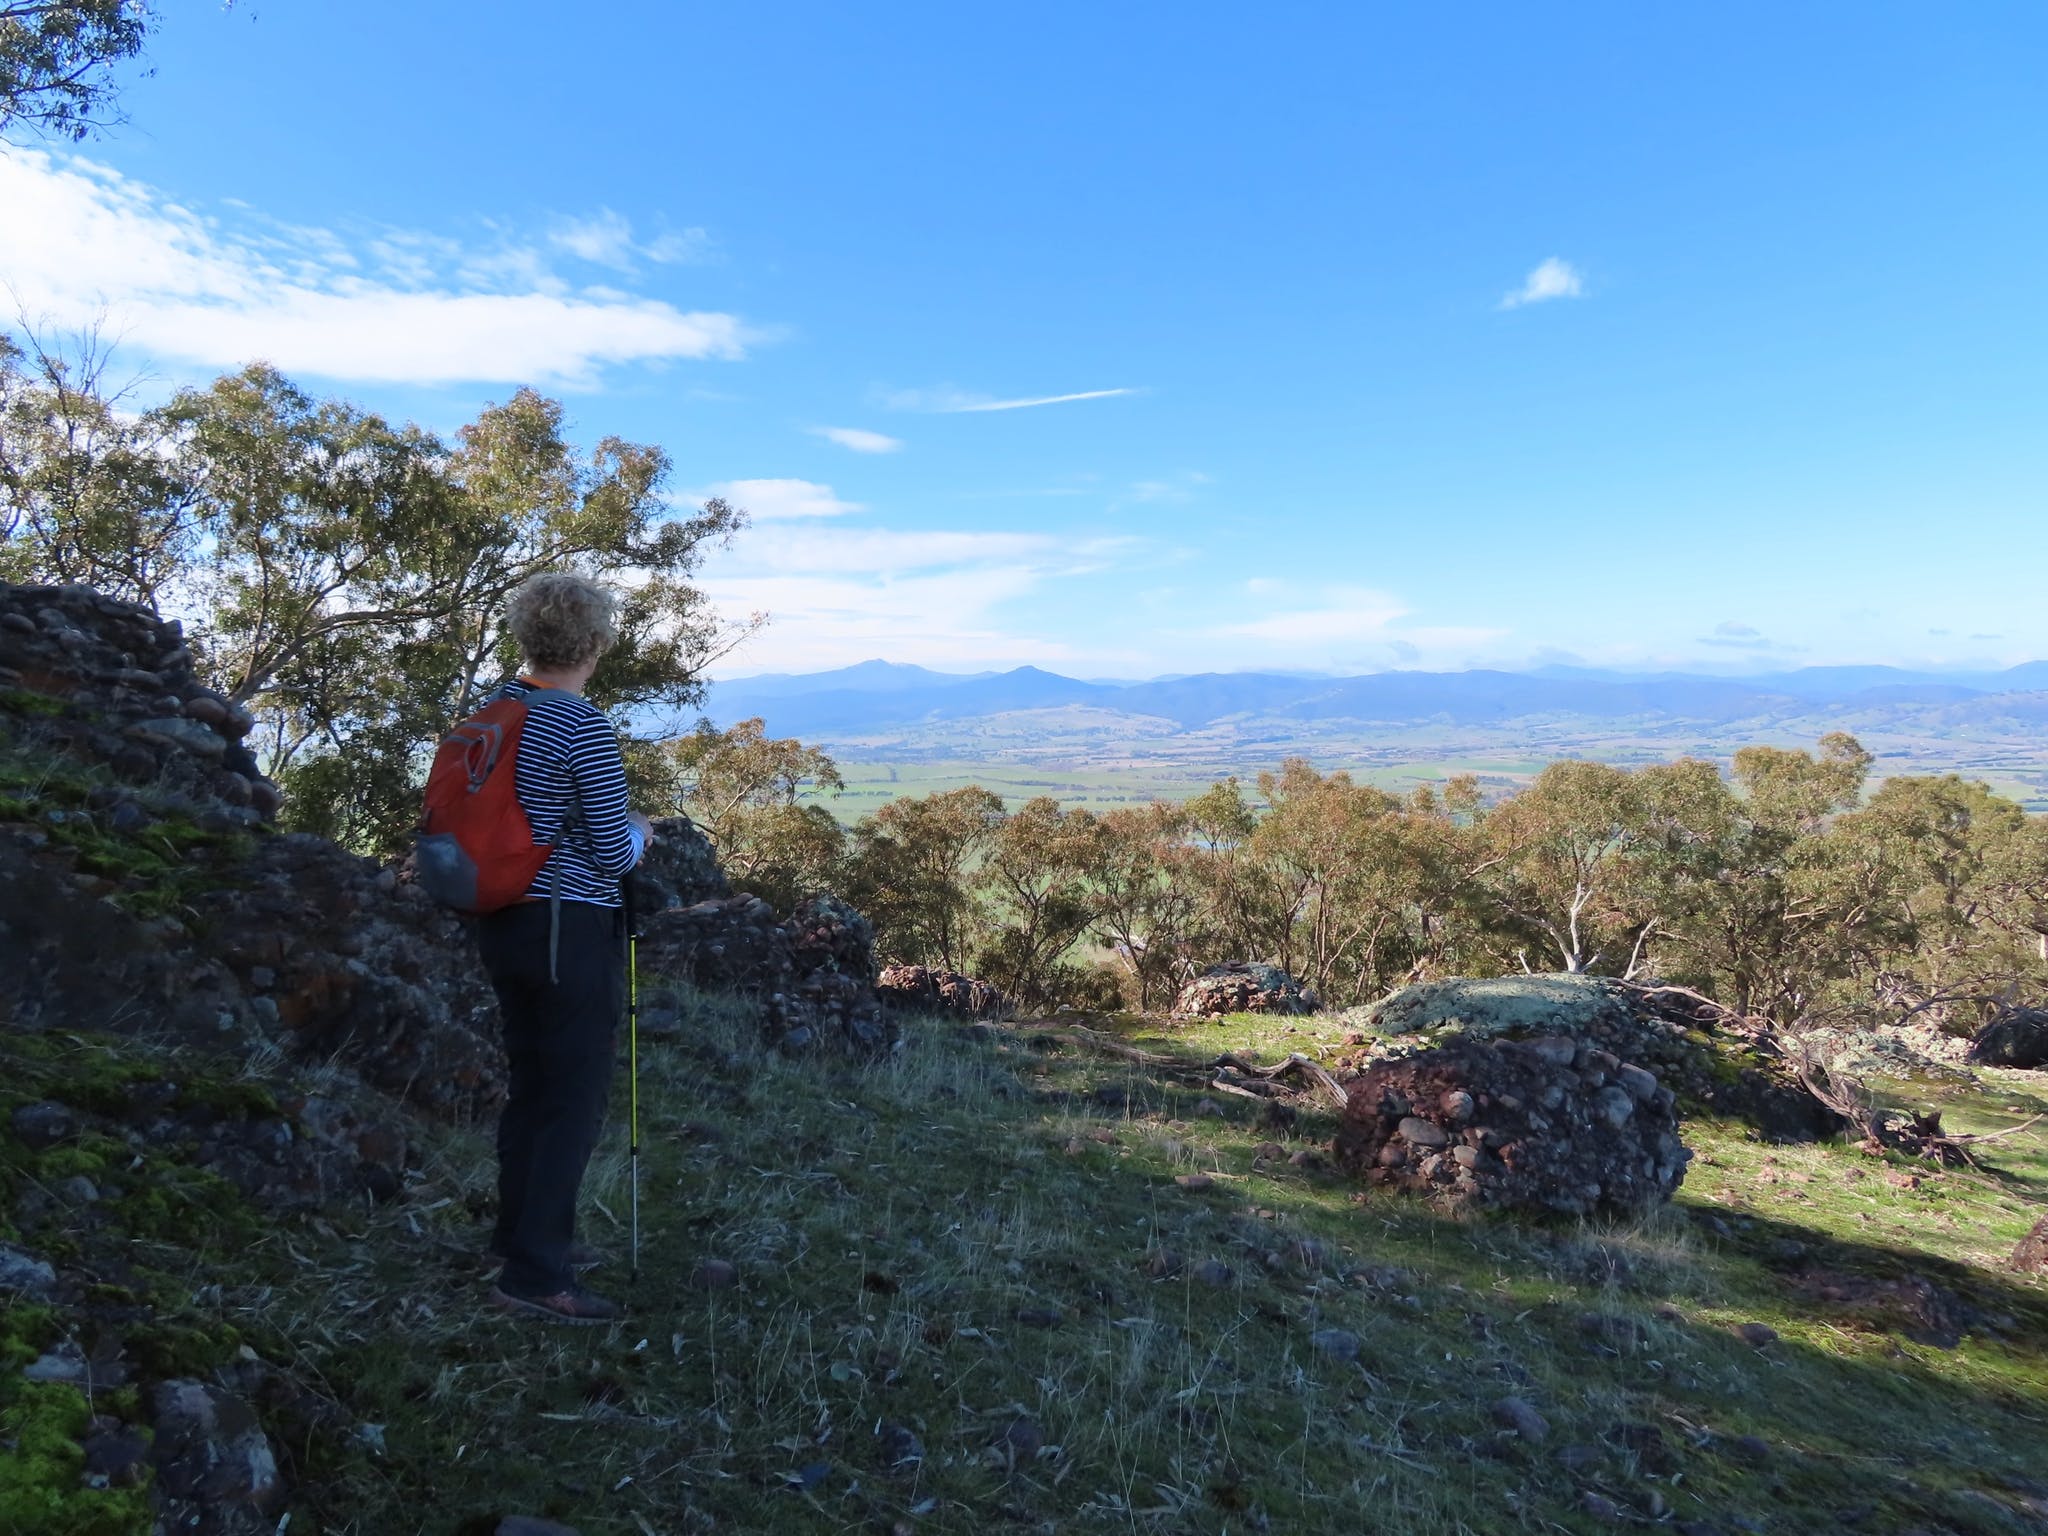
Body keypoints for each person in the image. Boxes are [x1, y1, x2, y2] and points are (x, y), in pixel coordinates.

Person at [474, 572, 653, 1324]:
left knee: (531, 1085)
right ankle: (537, 1274)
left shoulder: (491, 711)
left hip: (501, 920)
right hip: (564, 926)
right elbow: (612, 851)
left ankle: (518, 1240)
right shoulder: (577, 724)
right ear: (595, 643)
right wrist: (644, 834)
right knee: (570, 1100)